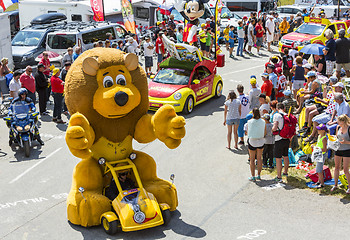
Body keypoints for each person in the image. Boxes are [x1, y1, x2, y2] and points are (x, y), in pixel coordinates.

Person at [245, 108, 266, 181]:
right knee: (259, 158)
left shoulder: (249, 122)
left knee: (252, 159)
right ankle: (259, 175)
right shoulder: (263, 121)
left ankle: (253, 176)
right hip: (261, 141)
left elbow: (247, 132)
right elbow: (265, 132)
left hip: (252, 141)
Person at [331, 114, 350, 194]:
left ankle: (349, 187)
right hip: (338, 149)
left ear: (343, 121)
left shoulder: (349, 128)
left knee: (345, 169)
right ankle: (335, 185)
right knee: (336, 167)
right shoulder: (338, 127)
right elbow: (336, 137)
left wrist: (346, 142)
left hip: (347, 150)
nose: (338, 123)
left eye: (339, 122)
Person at [272, 103, 290, 182]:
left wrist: (272, 129)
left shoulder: (277, 115)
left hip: (279, 138)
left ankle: (279, 176)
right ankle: (285, 172)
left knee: (278, 158)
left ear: (277, 108)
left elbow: (275, 127)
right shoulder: (287, 115)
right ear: (284, 108)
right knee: (285, 156)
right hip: (286, 138)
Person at [311, 124, 328, 188]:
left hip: (322, 155)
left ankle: (322, 183)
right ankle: (319, 181)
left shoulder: (324, 138)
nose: (317, 130)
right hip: (318, 154)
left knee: (319, 170)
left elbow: (324, 149)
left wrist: (315, 147)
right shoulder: (319, 136)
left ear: (323, 131)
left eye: (319, 129)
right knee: (318, 168)